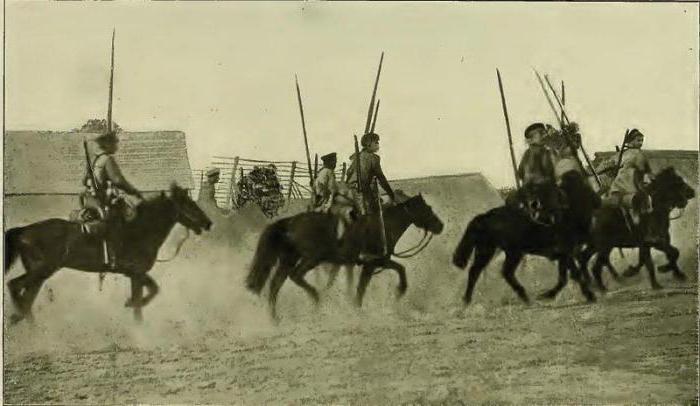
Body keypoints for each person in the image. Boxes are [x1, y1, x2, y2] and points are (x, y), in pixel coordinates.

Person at [82, 131, 144, 269]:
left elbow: (85, 181)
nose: (117, 145)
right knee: (125, 218)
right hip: (101, 200)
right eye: (115, 143)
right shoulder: (107, 160)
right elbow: (118, 180)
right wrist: (134, 192)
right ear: (108, 144)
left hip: (90, 199)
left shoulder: (96, 160)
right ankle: (116, 258)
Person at [606, 129, 654, 226]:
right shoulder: (633, 154)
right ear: (631, 141)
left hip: (625, 185)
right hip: (625, 185)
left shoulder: (626, 153)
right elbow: (610, 163)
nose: (640, 143)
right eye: (638, 140)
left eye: (642, 141)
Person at [345, 132, 396, 214]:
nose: (378, 144)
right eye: (376, 142)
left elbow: (348, 172)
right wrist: (391, 194)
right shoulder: (374, 158)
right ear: (369, 144)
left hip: (349, 189)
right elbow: (381, 178)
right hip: (360, 191)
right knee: (373, 213)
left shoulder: (357, 156)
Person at [313, 152, 359, 240]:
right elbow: (332, 189)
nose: (335, 163)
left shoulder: (322, 172)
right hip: (326, 201)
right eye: (334, 161)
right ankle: (344, 236)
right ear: (329, 162)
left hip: (320, 200)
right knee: (348, 209)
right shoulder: (329, 172)